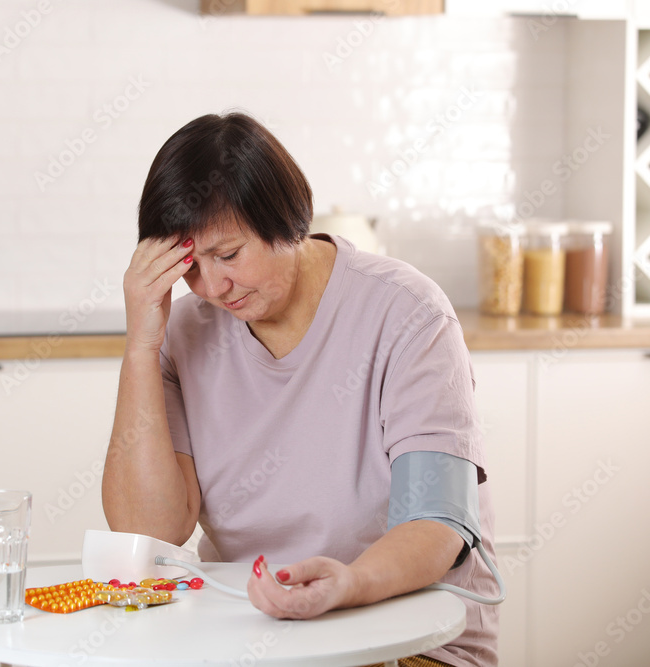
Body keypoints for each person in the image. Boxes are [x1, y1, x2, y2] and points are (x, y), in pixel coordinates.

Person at [101, 111, 499, 667]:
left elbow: (435, 523)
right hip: (247, 638)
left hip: (410, 637)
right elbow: (152, 533)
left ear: (285, 220)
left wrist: (349, 585)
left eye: (229, 255)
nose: (212, 287)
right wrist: (141, 346)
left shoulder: (408, 313)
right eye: (190, 266)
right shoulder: (182, 334)